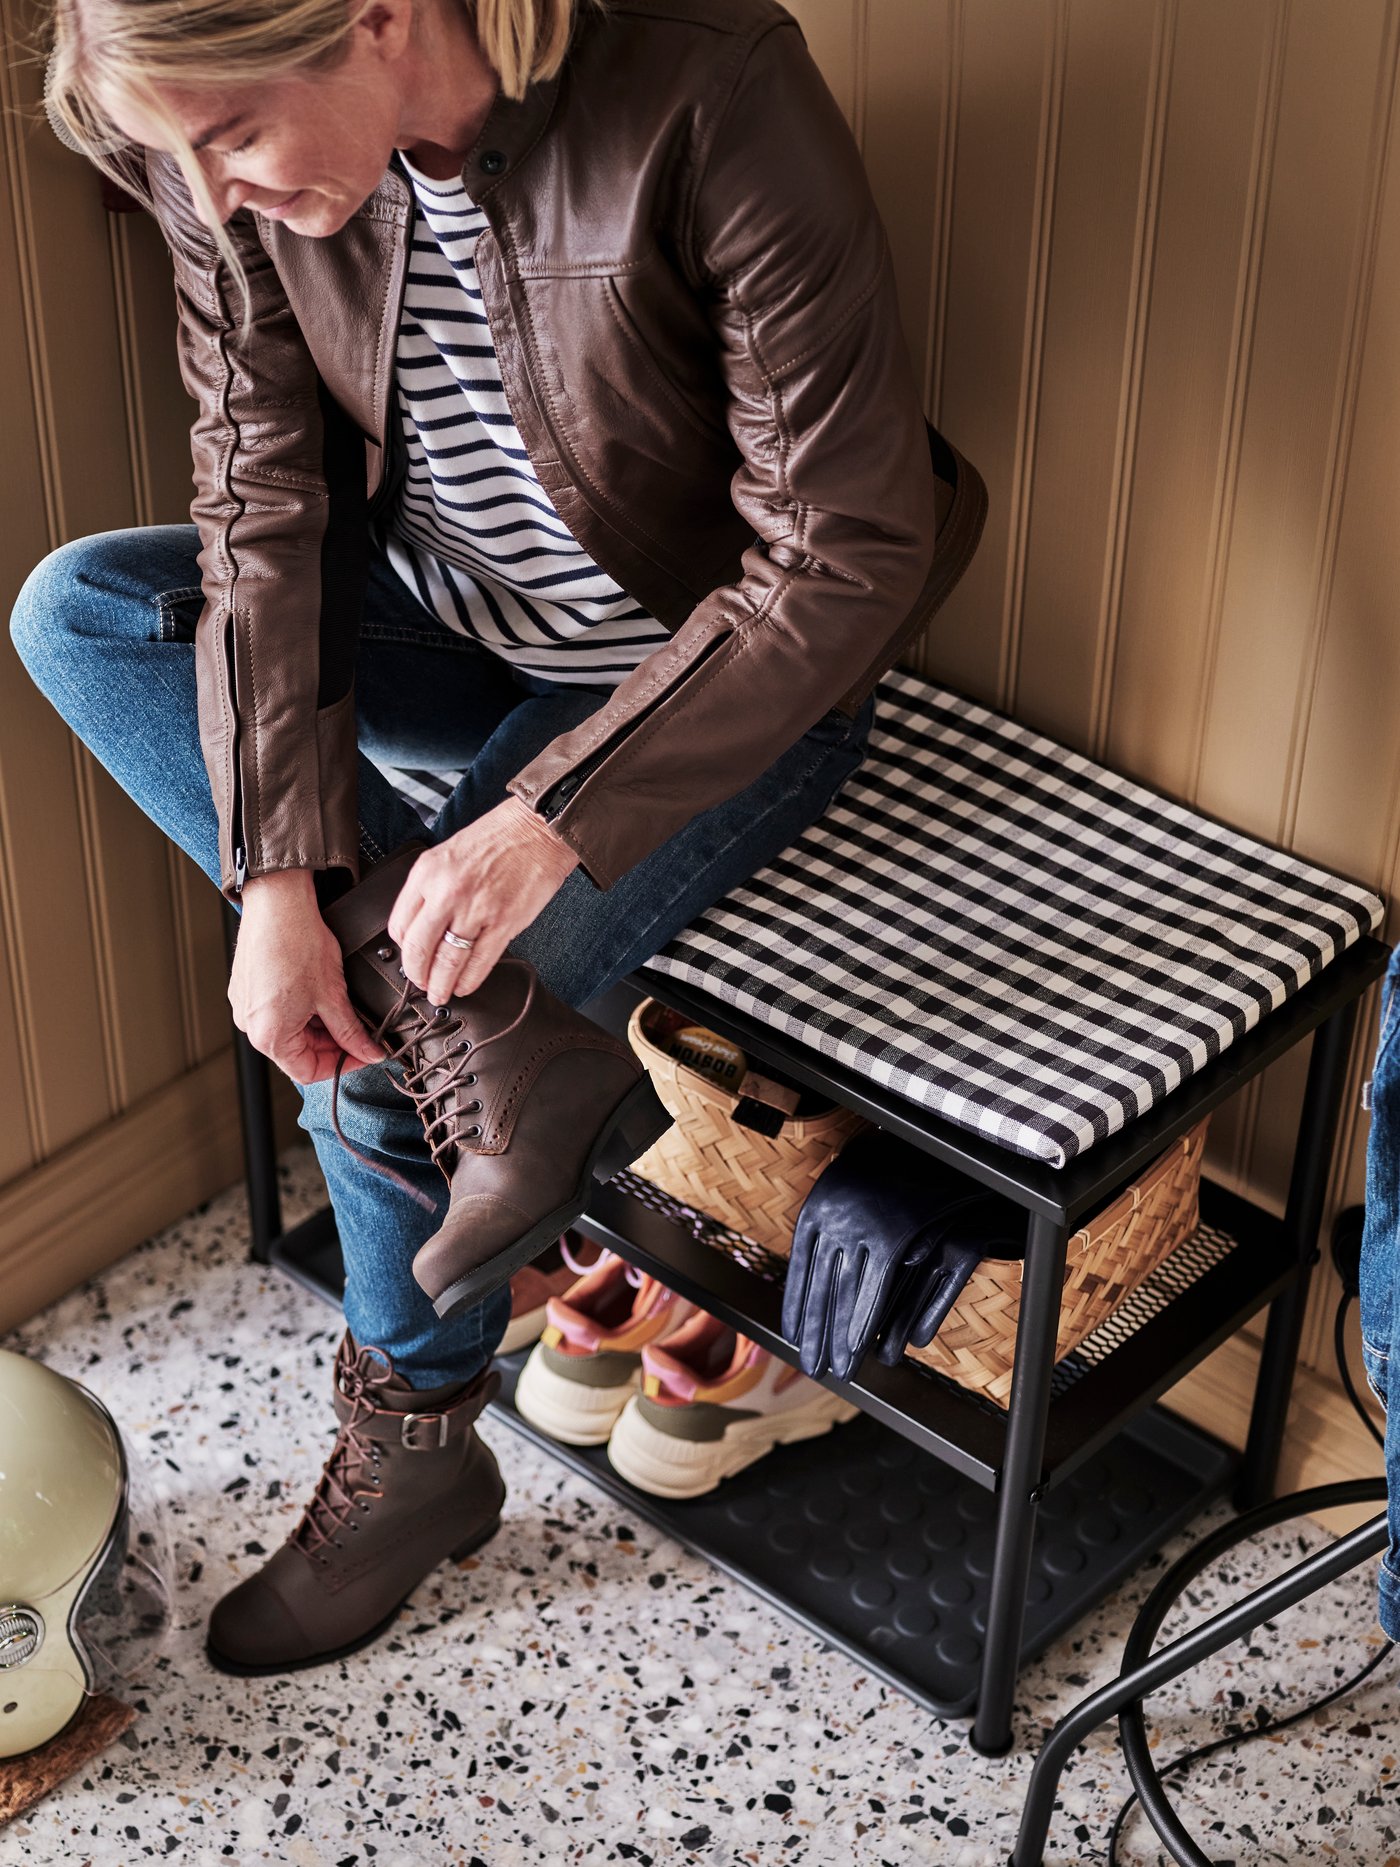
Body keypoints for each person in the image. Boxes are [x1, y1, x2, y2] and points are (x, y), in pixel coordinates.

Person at [11, 0, 986, 1674]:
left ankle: (416, 1436)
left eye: (233, 138)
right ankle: (481, 1031)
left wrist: (550, 821)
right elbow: (261, 501)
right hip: (451, 631)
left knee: (374, 1015)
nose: (218, 194)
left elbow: (848, 544)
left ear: (376, 18)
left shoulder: (705, 80)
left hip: (715, 685)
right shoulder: (233, 176)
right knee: (84, 607)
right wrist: (272, 881)